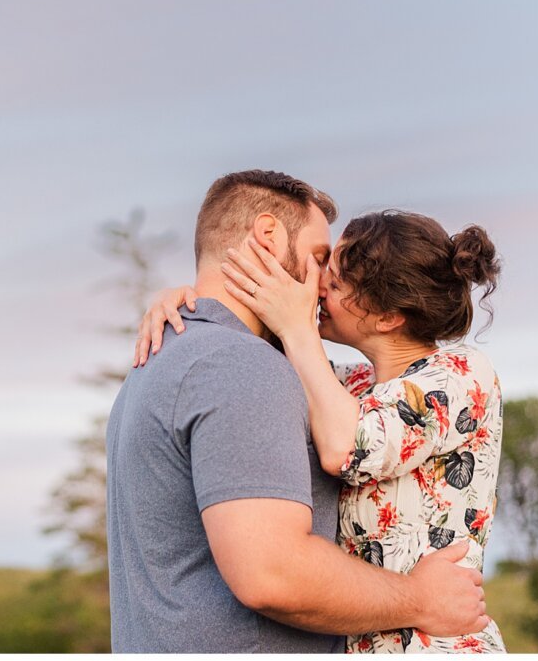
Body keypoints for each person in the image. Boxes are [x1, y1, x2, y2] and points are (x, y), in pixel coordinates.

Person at [107, 170, 489, 653]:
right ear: (267, 237)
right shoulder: (239, 363)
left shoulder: (163, 359)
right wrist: (419, 599)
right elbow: (272, 573)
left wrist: (198, 301)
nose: (323, 286)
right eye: (318, 259)